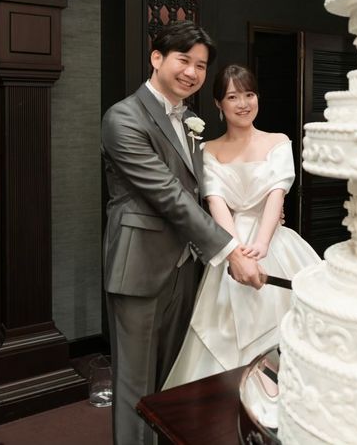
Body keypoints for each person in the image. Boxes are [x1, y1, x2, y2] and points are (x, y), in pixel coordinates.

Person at [101, 22, 264, 445]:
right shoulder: (123, 117)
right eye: (184, 60)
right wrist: (230, 250)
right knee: (135, 383)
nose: (192, 72)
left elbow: (199, 190)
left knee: (170, 376)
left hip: (184, 265)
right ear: (157, 58)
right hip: (139, 266)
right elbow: (168, 195)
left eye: (201, 65)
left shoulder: (189, 119)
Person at [162, 64, 321, 388]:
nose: (244, 103)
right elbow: (216, 202)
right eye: (233, 97)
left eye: (249, 94)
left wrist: (261, 244)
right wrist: (236, 252)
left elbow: (277, 195)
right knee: (223, 331)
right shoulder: (207, 150)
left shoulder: (278, 141)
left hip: (274, 242)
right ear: (219, 104)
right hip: (230, 241)